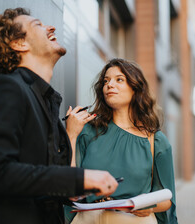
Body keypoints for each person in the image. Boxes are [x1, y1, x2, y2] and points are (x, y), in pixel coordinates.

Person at [0, 8, 118, 224]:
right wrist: (77, 178)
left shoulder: (45, 100)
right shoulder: (6, 87)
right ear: (19, 44)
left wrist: (67, 191)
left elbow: (37, 181)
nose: (51, 27)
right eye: (37, 25)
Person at [65, 58, 178, 224]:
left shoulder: (156, 141)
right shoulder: (88, 132)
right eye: (106, 81)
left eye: (119, 80)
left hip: (133, 220)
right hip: (89, 220)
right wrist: (71, 134)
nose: (110, 85)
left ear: (135, 88)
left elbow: (167, 198)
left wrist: (150, 206)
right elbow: (68, 184)